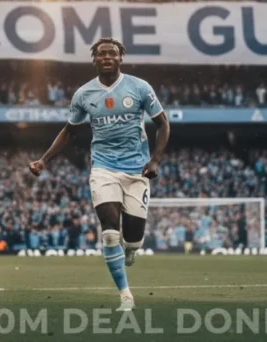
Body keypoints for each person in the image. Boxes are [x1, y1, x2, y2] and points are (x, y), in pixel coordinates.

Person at [29, 37, 170, 312]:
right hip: (103, 168)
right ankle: (125, 295)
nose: (107, 57)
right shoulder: (84, 94)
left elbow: (163, 124)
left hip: (136, 170)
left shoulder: (140, 87)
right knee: (109, 232)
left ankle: (131, 249)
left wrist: (155, 160)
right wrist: (44, 160)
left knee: (133, 239)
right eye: (101, 54)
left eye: (112, 53)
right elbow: (69, 131)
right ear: (94, 59)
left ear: (120, 58)